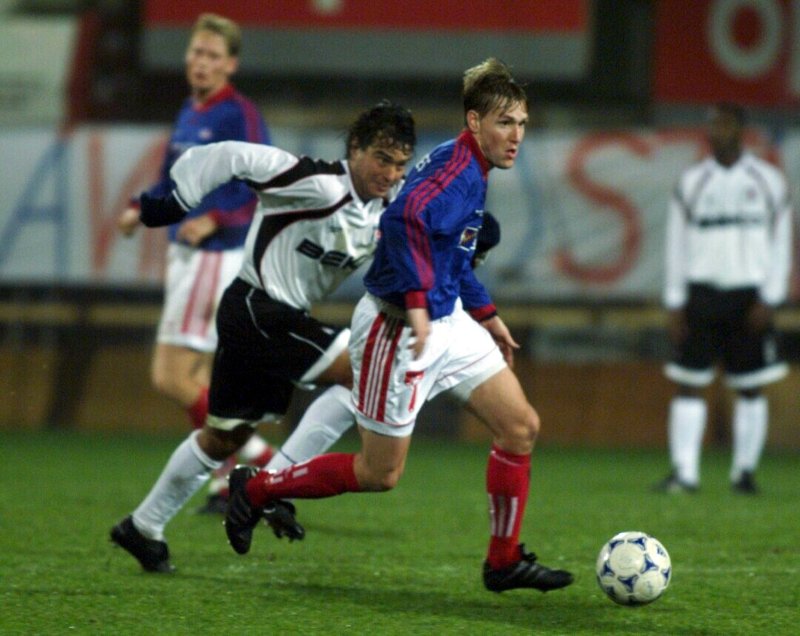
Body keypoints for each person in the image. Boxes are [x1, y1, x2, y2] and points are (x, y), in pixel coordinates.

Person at [224, 58, 574, 595]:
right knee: (379, 474)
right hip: (398, 329)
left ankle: (502, 561)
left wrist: (487, 316)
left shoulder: (470, 167)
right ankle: (257, 489)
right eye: (506, 123)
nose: (517, 136)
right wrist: (415, 303)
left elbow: (454, 256)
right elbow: (401, 218)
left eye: (523, 123)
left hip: (445, 320)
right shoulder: (458, 173)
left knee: (520, 426)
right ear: (475, 122)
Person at [110, 101, 417, 572]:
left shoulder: (387, 214)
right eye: (381, 157)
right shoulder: (314, 182)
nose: (390, 172)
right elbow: (231, 156)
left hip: (269, 317)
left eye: (400, 163)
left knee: (223, 438)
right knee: (363, 376)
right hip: (258, 308)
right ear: (355, 148)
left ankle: (143, 527)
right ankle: (271, 490)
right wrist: (172, 201)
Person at [116, 13, 275, 507]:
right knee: (202, 379)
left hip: (213, 257)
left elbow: (263, 182)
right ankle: (232, 478)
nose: (200, 62)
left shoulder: (237, 113)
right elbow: (172, 178)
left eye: (212, 55)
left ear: (230, 64)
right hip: (186, 255)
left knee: (171, 375)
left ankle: (250, 452)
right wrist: (142, 207)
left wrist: (217, 219)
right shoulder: (189, 110)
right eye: (195, 52)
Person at [262, 210, 502, 473]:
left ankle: (266, 481)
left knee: (519, 426)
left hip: (422, 321)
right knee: (379, 468)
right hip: (387, 321)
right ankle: (264, 484)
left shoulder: (443, 207)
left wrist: (485, 313)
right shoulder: (420, 214)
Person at [654, 102, 792, 495]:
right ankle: (685, 474)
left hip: (749, 296)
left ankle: (743, 473)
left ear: (741, 130)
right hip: (701, 293)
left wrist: (771, 296)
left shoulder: (768, 181)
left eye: (726, 124)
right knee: (689, 382)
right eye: (713, 124)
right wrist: (675, 300)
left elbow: (781, 244)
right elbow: (675, 245)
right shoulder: (692, 182)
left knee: (749, 386)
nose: (718, 131)